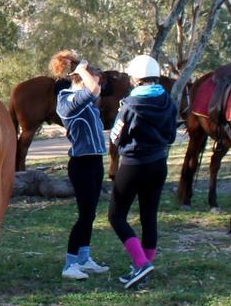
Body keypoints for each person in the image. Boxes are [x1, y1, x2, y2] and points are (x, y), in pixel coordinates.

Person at [107, 54, 178, 288]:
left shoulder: (129, 104)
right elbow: (171, 135)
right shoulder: (167, 101)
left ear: (135, 78)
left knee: (116, 216)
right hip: (158, 163)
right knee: (149, 216)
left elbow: (115, 137)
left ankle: (140, 264)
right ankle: (145, 267)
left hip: (133, 165)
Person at [51, 51, 111, 281]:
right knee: (84, 215)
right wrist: (84, 69)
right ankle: (70, 264)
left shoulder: (89, 105)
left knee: (91, 214)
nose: (98, 86)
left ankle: (84, 258)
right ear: (80, 78)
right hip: (81, 164)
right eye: (94, 79)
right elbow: (92, 89)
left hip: (95, 162)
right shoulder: (66, 101)